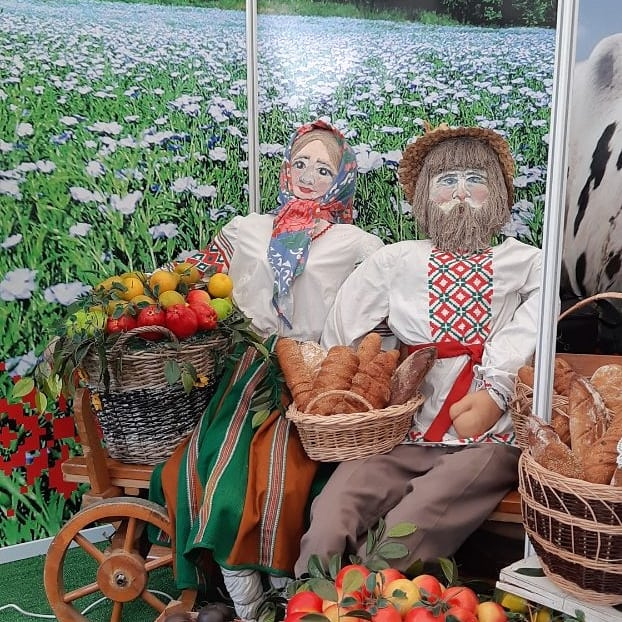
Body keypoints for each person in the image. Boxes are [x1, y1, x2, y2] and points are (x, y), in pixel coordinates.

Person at [149, 119, 384, 619]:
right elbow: (191, 277)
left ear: (342, 179)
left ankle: (279, 586)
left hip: (311, 374)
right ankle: (243, 590)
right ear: (285, 169)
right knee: (217, 465)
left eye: (324, 169)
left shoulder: (355, 242)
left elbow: (390, 290)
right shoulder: (248, 229)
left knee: (289, 475)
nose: (308, 177)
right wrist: (142, 298)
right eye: (301, 164)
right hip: (247, 366)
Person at [294, 123, 542, 576]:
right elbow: (343, 331)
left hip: (486, 438)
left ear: (500, 195)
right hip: (404, 428)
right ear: (424, 196)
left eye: (475, 180)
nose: (460, 193)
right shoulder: (396, 260)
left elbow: (538, 318)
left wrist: (497, 389)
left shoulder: (525, 262)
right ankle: (310, 595)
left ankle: (375, 597)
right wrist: (346, 392)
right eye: (447, 181)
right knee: (332, 510)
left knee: (413, 525)